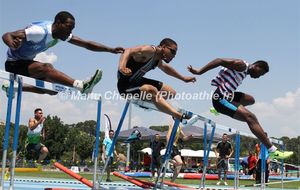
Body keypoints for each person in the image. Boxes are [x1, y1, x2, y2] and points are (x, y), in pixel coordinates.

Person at [188, 58, 293, 159]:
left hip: (227, 95)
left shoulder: (244, 72)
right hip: (220, 98)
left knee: (250, 100)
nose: (258, 77)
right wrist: (199, 71)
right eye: (260, 74)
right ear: (257, 66)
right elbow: (219, 60)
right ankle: (272, 150)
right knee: (251, 118)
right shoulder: (241, 65)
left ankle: (218, 109)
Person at [2, 11, 124, 95]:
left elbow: (86, 44)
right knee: (47, 67)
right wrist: (12, 44)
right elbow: (7, 35)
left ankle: (15, 88)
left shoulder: (61, 34)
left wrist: (110, 49)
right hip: (13, 64)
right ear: (58, 23)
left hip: (27, 63)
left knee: (53, 88)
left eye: (72, 29)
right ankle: (81, 86)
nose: (70, 31)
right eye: (68, 27)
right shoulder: (39, 31)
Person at [118, 38, 196, 122]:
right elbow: (127, 50)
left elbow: (166, 68)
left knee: (170, 93)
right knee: (151, 90)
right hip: (125, 87)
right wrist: (122, 67)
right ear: (163, 47)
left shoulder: (158, 60)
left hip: (137, 82)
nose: (173, 56)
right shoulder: (150, 50)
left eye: (175, 54)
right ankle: (178, 116)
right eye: (172, 51)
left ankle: (149, 101)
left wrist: (183, 78)